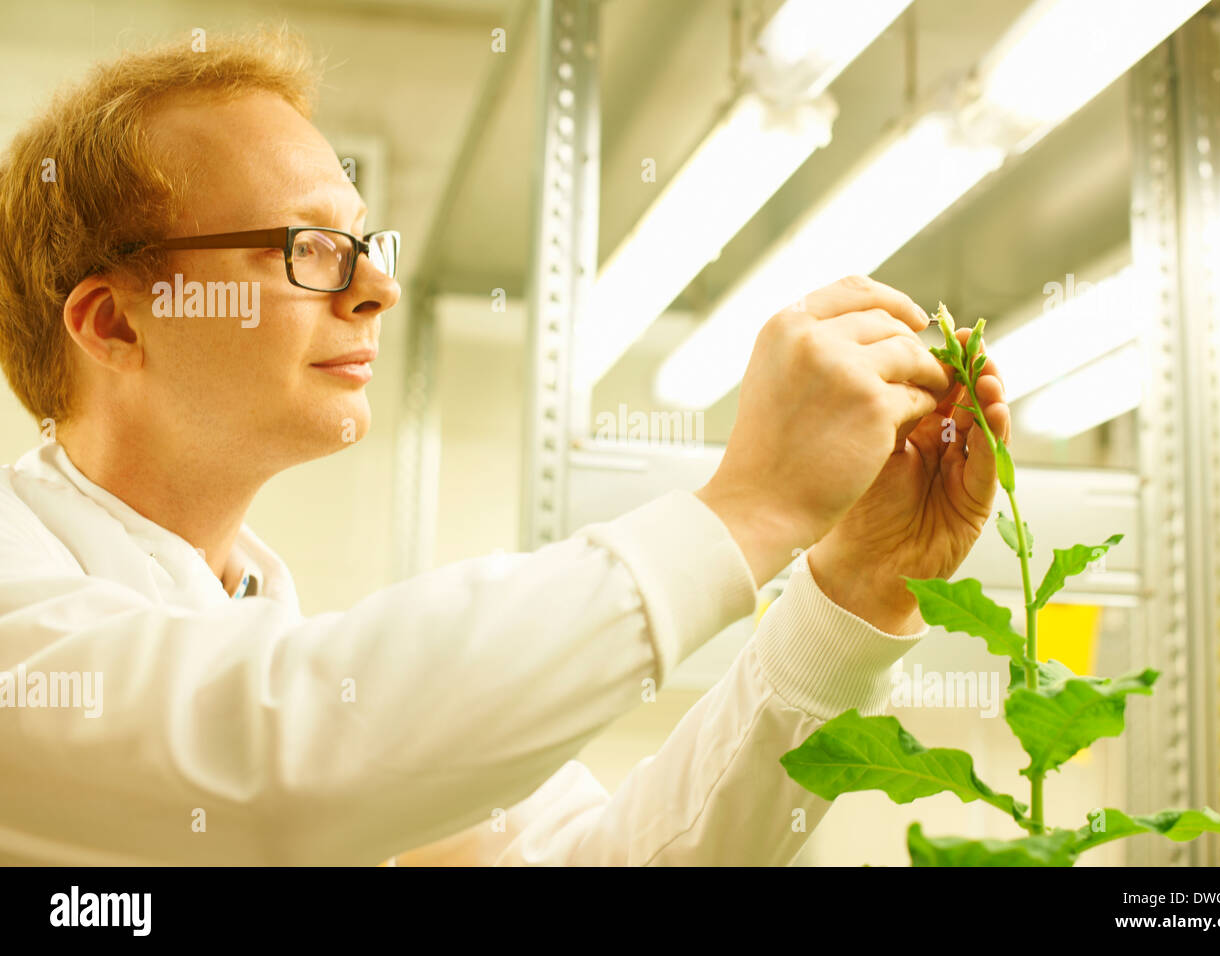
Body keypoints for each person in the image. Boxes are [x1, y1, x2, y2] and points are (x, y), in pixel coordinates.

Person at [0, 28, 1009, 865]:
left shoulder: (292, 652)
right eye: (306, 247)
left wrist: (854, 594)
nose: (376, 288)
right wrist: (746, 508)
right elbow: (271, 768)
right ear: (116, 323)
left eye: (364, 242)